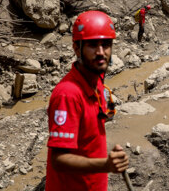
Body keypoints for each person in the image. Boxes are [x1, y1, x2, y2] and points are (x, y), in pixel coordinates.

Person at [45, 10, 129, 191]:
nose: (101, 52)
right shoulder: (67, 95)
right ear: (77, 48)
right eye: (92, 45)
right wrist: (106, 165)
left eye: (106, 44)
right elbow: (59, 160)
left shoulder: (96, 80)